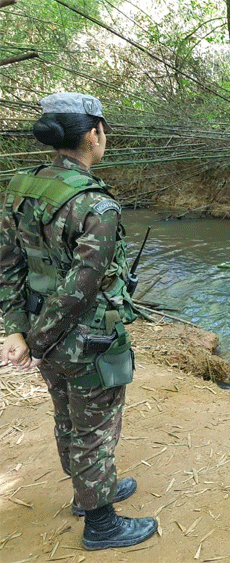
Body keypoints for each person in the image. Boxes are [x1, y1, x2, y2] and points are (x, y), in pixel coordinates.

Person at [0, 92, 158, 550]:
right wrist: (36, 339)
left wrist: (18, 330)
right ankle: (101, 523)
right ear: (93, 135)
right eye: (102, 130)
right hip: (85, 339)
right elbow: (80, 289)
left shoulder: (21, 184)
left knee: (68, 415)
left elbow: (9, 263)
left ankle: (88, 493)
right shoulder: (97, 206)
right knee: (94, 427)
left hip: (39, 332)